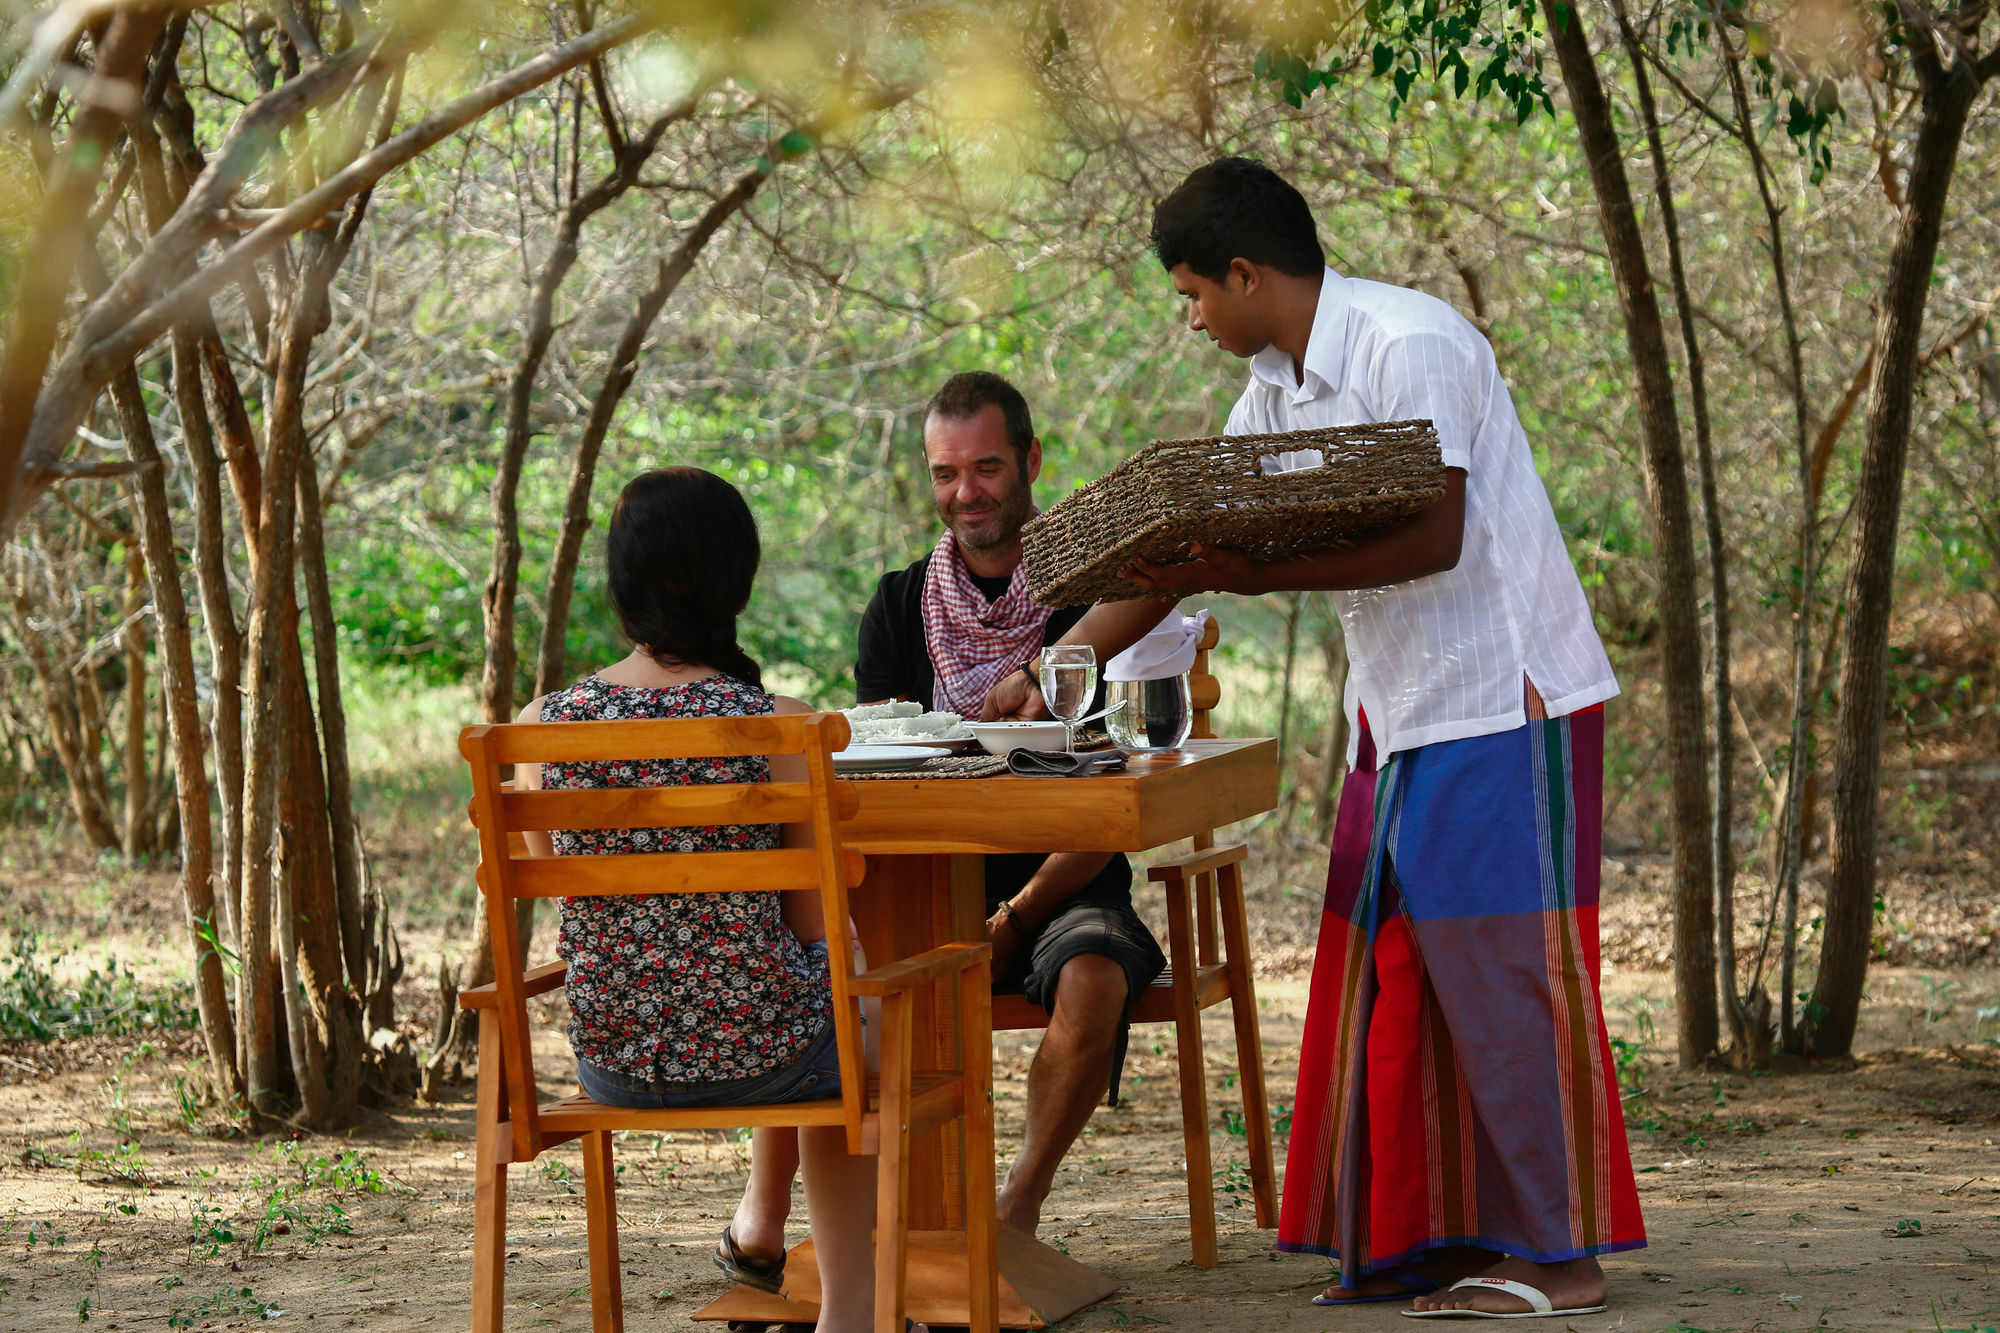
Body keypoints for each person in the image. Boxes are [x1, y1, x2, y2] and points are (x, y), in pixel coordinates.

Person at [1126, 157, 1645, 1319]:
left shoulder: (1408, 342)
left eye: (1192, 292)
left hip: (1500, 697)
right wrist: (1039, 668)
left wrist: (1245, 572)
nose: (1190, 316)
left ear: (1246, 274)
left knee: (1503, 978)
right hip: (1397, 715)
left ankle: (1561, 1256)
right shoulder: (1268, 389)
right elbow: (1191, 549)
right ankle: (1429, 1238)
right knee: (1393, 979)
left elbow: (1435, 537)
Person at [511, 467, 910, 1333]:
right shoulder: (782, 729)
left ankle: (767, 1237)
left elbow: (571, 903)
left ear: (620, 584)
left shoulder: (540, 726)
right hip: (766, 1059)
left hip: (610, 1061)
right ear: (737, 581)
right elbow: (814, 929)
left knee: (825, 1001)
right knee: (849, 997)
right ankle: (853, 1311)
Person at [859, 369, 1172, 1234]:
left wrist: (1019, 917)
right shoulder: (893, 608)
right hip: (923, 889)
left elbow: (1114, 799)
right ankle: (891, 1230)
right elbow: (879, 783)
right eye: (944, 474)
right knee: (843, 978)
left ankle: (1013, 1212)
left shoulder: (1100, 595)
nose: (965, 493)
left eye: (987, 468)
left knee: (1096, 974)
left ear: (1031, 460)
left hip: (1066, 879)